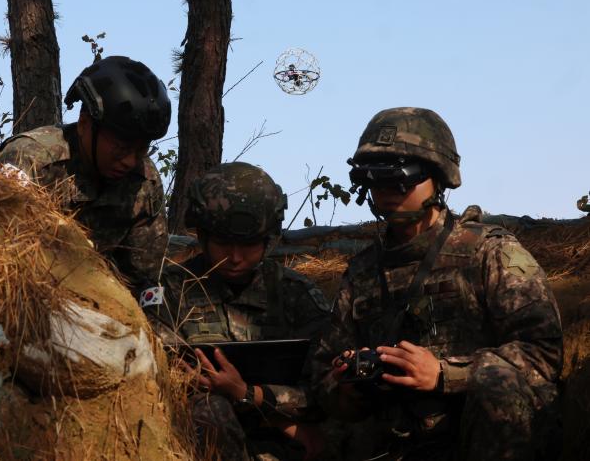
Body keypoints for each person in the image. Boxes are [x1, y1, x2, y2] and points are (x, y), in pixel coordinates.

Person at [311, 107, 563, 460]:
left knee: (500, 388)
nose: (388, 191)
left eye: (401, 177)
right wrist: (348, 385)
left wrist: (444, 374)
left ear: (438, 177)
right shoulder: (362, 273)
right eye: (375, 179)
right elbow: (322, 372)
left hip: (476, 437)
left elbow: (542, 353)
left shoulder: (489, 252)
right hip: (393, 442)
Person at [143, 162, 331, 461]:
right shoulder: (168, 292)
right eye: (223, 243)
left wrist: (250, 394)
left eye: (248, 245)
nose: (234, 257)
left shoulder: (296, 294)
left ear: (267, 240)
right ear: (202, 236)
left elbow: (326, 390)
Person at [0, 55, 171, 292]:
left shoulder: (144, 181)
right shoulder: (30, 161)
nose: (130, 161)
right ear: (85, 124)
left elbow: (143, 281)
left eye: (141, 149)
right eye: (121, 148)